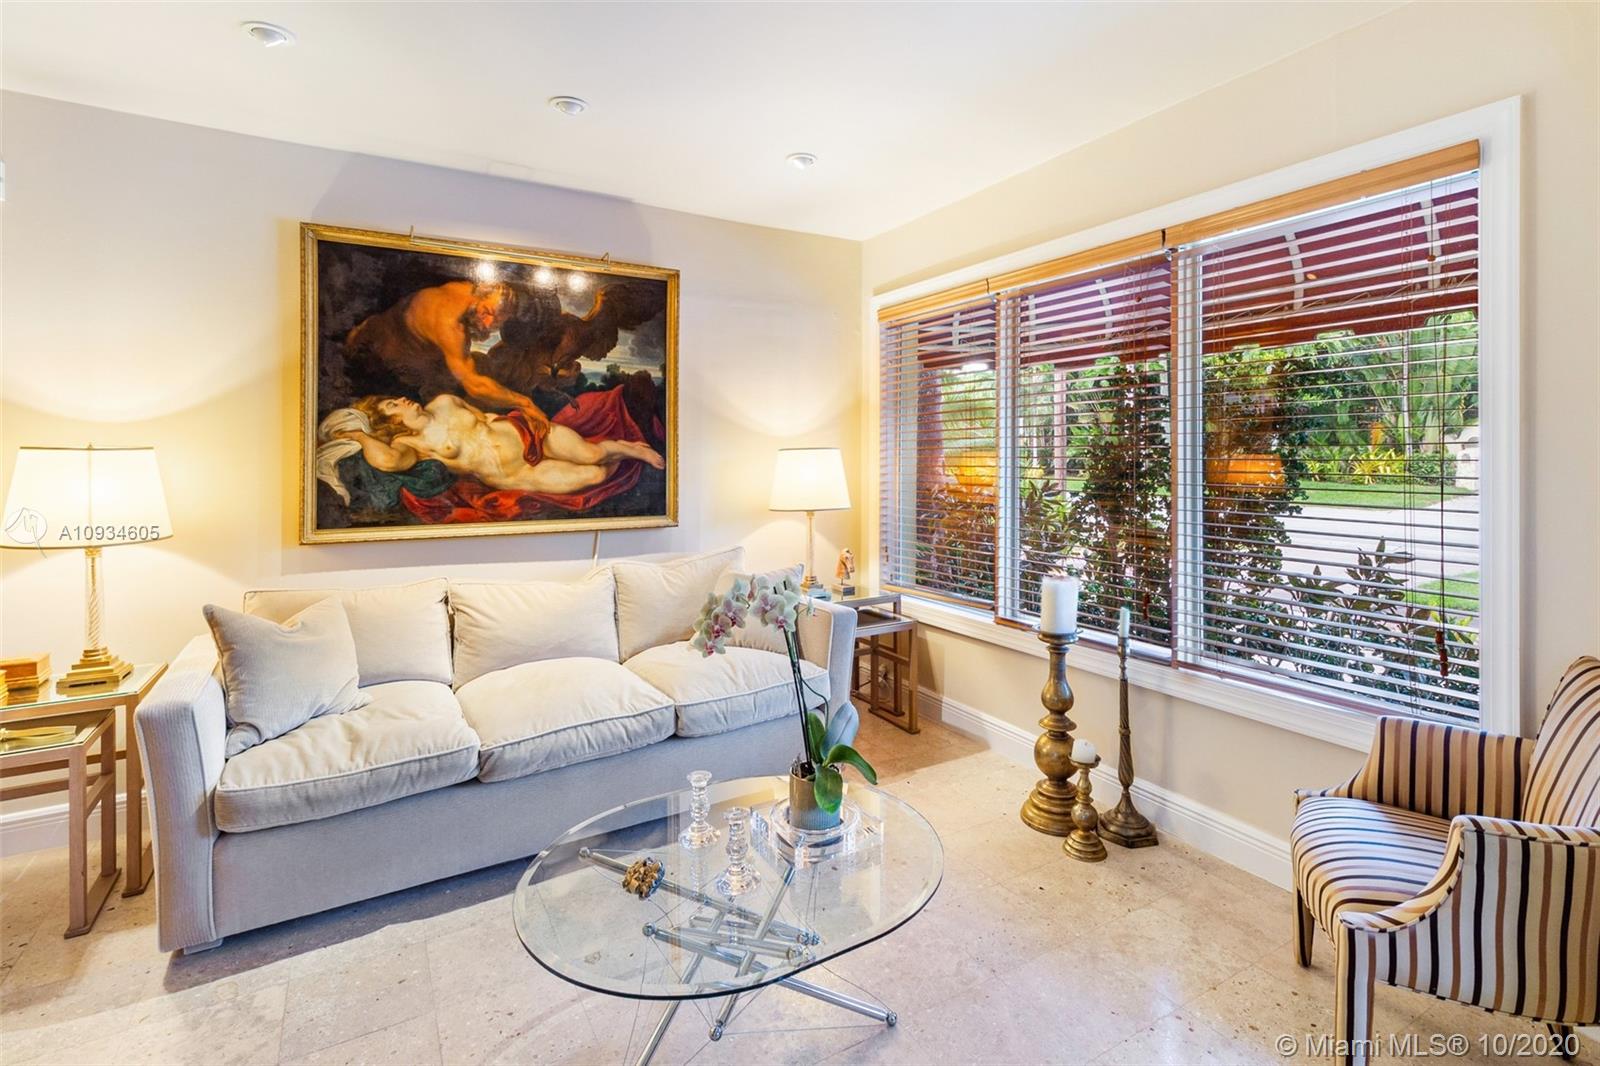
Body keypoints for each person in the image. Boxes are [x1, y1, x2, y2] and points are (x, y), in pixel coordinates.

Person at [337, 392, 662, 496]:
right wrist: (362, 437)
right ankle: (622, 452)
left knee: (591, 454)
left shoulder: (446, 401)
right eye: (393, 405)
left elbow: (486, 416)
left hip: (527, 435)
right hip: (516, 474)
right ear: (392, 422)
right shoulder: (413, 444)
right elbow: (389, 462)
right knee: (595, 475)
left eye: (395, 398)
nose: (401, 400)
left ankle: (629, 448)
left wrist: (528, 420)